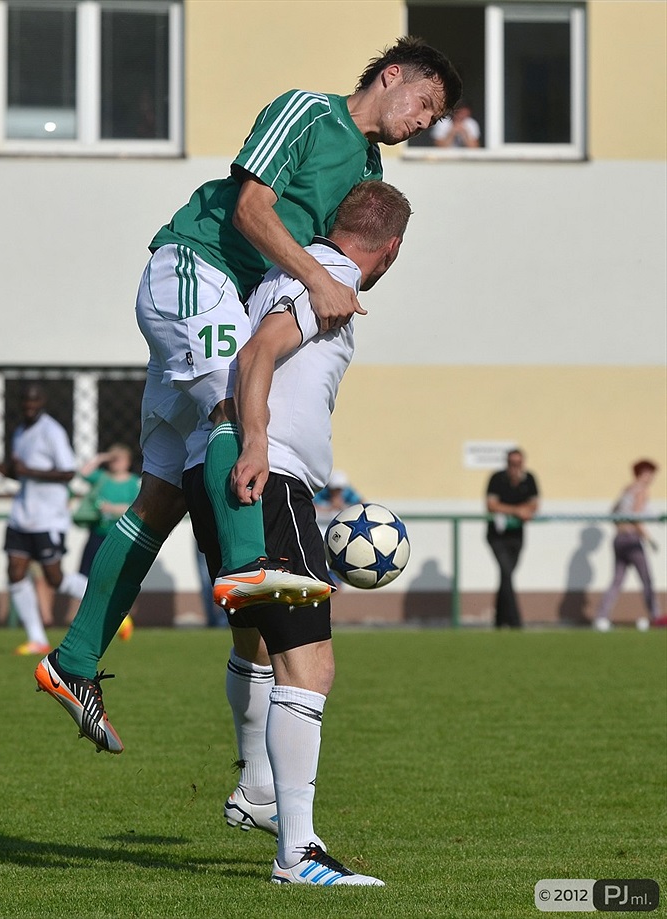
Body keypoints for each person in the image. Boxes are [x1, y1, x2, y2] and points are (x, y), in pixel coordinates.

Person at [34, 38, 461, 754]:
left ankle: (73, 660)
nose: (426, 121)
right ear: (391, 77)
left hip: (223, 304)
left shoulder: (368, 168)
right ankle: (246, 571)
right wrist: (319, 283)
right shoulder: (307, 113)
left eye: (435, 116)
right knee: (236, 405)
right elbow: (251, 211)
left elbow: (336, 252)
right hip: (195, 269)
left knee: (161, 495)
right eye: (425, 103)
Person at [183, 180, 412, 886]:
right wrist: (258, 441)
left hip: (220, 473)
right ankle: (299, 852)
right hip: (268, 476)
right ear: (392, 248)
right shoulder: (333, 279)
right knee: (309, 668)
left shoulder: (288, 267)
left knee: (256, 642)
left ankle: (257, 789)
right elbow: (257, 356)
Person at [0, 384, 88, 655]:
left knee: (54, 578)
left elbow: (67, 472)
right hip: (21, 514)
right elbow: (21, 474)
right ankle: (37, 638)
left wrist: (29, 470)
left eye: (34, 400)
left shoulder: (51, 432)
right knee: (15, 572)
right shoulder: (19, 431)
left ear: (42, 401)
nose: (29, 405)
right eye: (25, 401)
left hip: (48, 516)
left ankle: (111, 605)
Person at [76, 444, 141, 640]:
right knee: (86, 576)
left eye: (120, 458)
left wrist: (111, 508)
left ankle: (118, 619)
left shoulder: (133, 482)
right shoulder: (102, 478)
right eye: (114, 459)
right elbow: (83, 473)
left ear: (128, 462)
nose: (116, 462)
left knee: (116, 578)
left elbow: (135, 507)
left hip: (120, 536)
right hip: (98, 533)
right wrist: (102, 457)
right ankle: (98, 618)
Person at [594, 459, 663, 631]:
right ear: (642, 473)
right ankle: (656, 616)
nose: (651, 478)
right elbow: (636, 518)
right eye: (649, 474)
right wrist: (650, 539)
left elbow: (613, 512)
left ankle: (601, 617)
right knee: (646, 579)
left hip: (619, 539)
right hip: (632, 539)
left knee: (616, 580)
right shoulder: (641, 491)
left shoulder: (627, 489)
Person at [485, 448, 540, 628]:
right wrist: (516, 510)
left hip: (517, 536)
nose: (514, 467)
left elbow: (534, 504)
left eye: (518, 463)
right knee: (506, 573)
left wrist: (525, 509)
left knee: (506, 576)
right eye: (511, 463)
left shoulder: (529, 479)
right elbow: (492, 505)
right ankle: (516, 622)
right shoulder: (497, 479)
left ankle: (500, 621)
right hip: (497, 536)